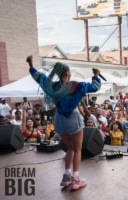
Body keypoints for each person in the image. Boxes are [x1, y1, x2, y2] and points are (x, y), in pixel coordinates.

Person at [26, 55, 101, 190]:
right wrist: (96, 75)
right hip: (73, 118)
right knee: (77, 150)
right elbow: (95, 87)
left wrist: (31, 65)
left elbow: (38, 77)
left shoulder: (51, 86)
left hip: (59, 120)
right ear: (67, 73)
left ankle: (66, 177)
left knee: (70, 148)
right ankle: (75, 180)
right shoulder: (76, 85)